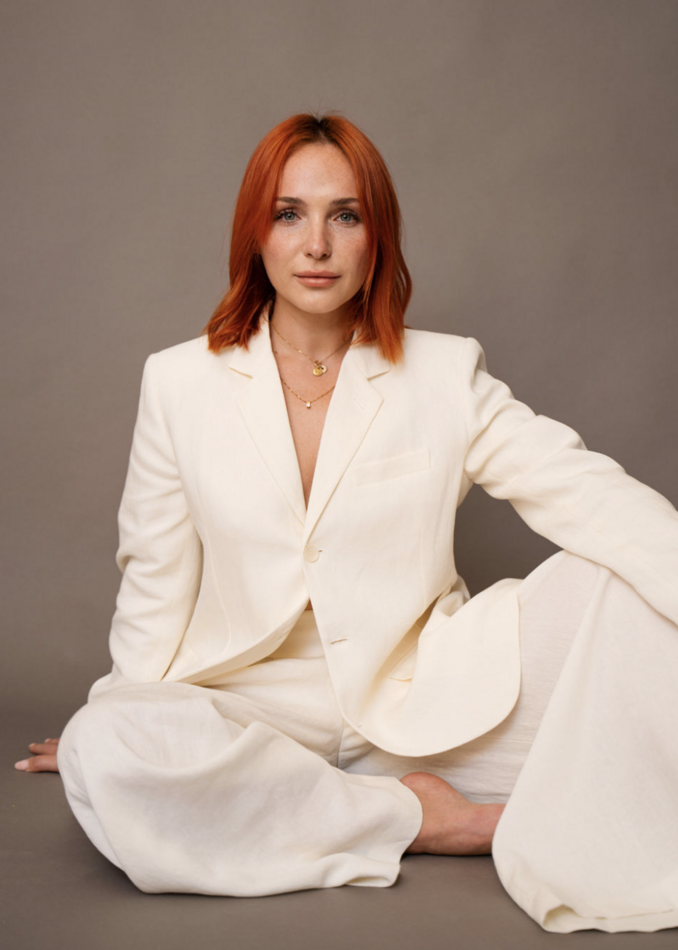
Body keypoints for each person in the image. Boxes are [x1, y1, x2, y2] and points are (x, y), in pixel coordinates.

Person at [16, 114, 678, 933]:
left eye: (346, 215)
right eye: (289, 214)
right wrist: (117, 719)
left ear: (377, 235)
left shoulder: (444, 371)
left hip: (426, 701)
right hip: (253, 710)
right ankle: (419, 818)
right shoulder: (179, 383)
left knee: (618, 579)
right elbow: (154, 578)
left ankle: (331, 804)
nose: (317, 245)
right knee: (106, 744)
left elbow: (587, 494)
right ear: (255, 233)